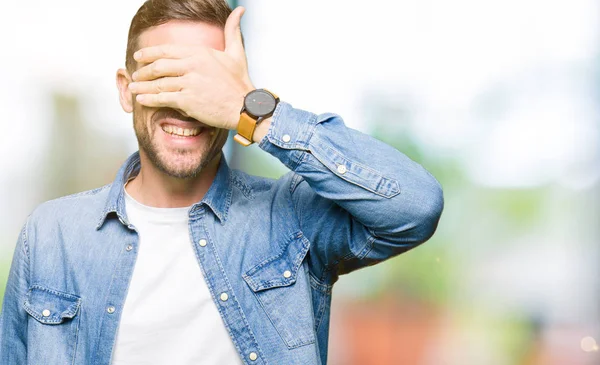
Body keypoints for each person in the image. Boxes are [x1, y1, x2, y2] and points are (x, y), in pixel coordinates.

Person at [0, 0, 444, 364]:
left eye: (206, 83)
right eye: (167, 79)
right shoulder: (51, 234)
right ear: (125, 89)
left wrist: (254, 111)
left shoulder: (289, 217)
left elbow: (414, 206)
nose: (188, 106)